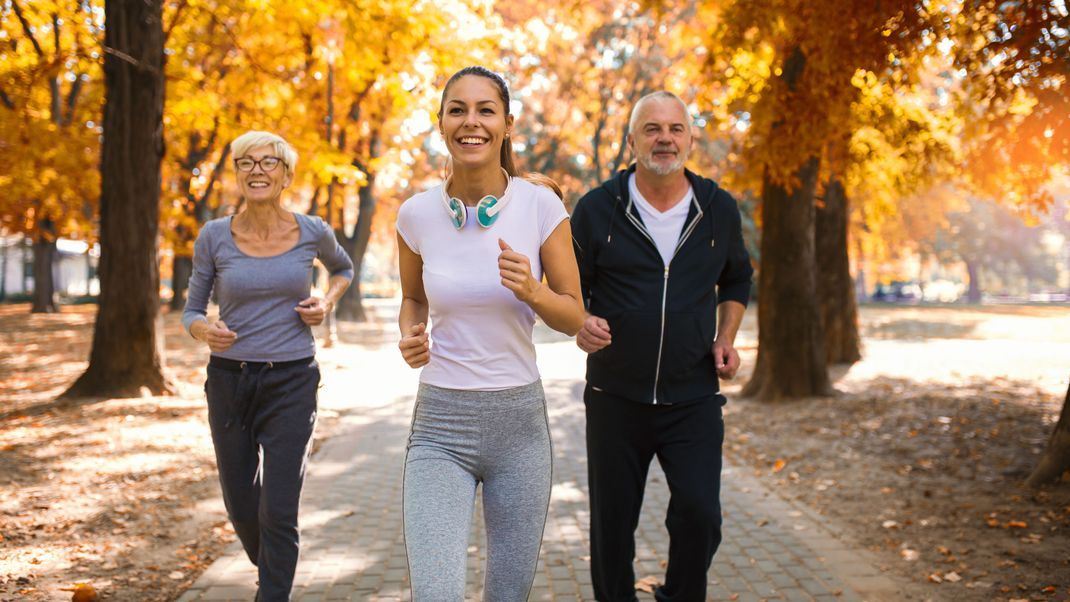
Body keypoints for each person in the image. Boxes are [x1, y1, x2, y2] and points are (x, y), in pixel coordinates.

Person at [395, 65, 585, 601]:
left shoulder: (541, 205)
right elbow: (413, 297)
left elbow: (573, 316)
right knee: (436, 594)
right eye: (458, 109)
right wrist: (411, 333)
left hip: (518, 429)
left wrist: (534, 291)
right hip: (439, 428)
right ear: (441, 124)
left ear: (506, 125)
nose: (471, 122)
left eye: (485, 110)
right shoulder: (416, 215)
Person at [570, 91, 754, 602]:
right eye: (652, 129)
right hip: (614, 396)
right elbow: (569, 290)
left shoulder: (716, 208)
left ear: (690, 140)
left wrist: (726, 339)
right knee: (612, 529)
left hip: (692, 396)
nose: (664, 138)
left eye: (675, 129)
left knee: (701, 514)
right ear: (632, 141)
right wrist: (580, 322)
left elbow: (737, 280)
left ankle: (679, 595)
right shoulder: (598, 209)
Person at [182, 130, 353, 601]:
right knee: (242, 505)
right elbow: (192, 310)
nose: (257, 170)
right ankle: (276, 564)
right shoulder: (214, 236)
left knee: (278, 510)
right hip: (229, 381)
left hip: (292, 380)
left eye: (269, 162)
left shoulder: (312, 230)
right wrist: (203, 331)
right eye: (246, 162)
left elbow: (343, 269)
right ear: (236, 174)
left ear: (286, 176)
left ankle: (272, 591)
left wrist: (327, 302)